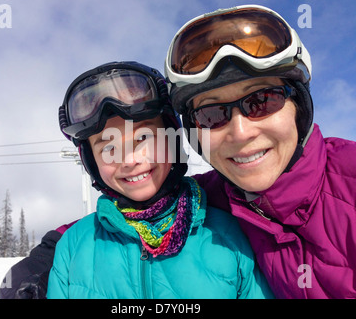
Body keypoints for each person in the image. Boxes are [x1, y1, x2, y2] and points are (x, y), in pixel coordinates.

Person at [163, 5, 356, 298]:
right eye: (211, 115)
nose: (241, 133)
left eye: (262, 101)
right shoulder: (205, 200)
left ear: (299, 108)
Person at [46, 61, 272, 298]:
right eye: (108, 147)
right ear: (91, 162)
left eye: (144, 137)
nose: (130, 160)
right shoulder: (72, 247)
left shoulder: (228, 235)